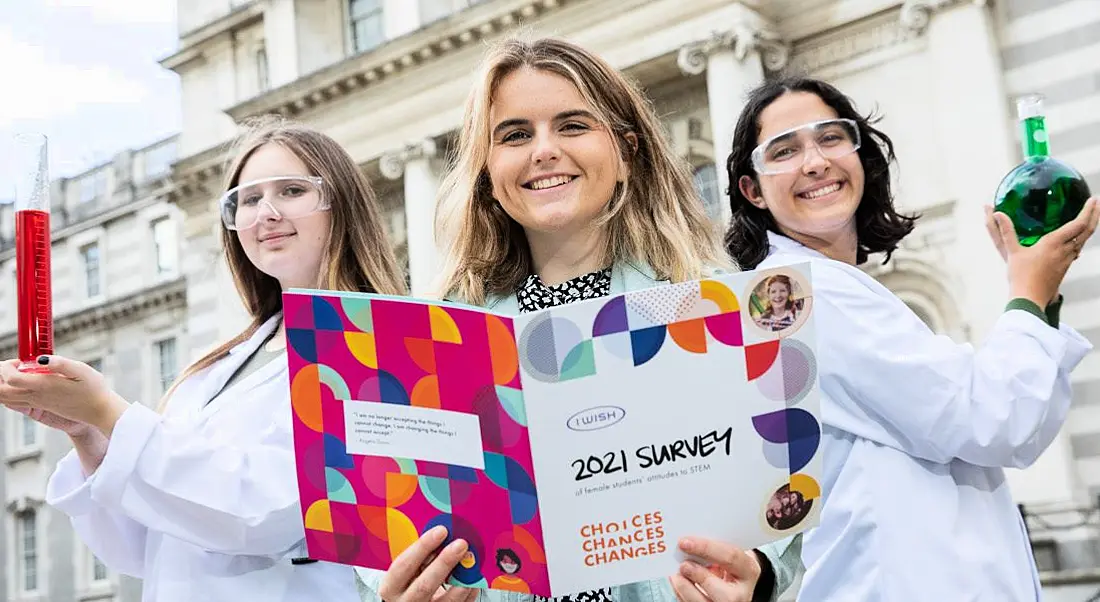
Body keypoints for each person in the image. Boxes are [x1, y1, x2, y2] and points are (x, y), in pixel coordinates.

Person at [354, 37, 801, 602]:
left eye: (572, 126)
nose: (544, 150)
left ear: (626, 150)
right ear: (488, 172)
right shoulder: (439, 339)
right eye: (515, 135)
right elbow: (389, 529)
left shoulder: (713, 305)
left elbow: (779, 505)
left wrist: (756, 579)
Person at [707, 75, 1099, 601]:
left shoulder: (829, 286)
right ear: (752, 190)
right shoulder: (800, 296)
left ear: (859, 153)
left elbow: (1007, 427)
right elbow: (989, 418)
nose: (815, 162)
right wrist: (1029, 290)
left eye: (830, 137)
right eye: (785, 150)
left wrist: (1040, 299)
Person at [0, 119, 407, 601]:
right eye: (249, 199)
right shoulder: (216, 369)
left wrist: (108, 411)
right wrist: (88, 434)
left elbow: (265, 511)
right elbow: (143, 545)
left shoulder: (381, 348)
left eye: (292, 190)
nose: (266, 213)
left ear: (342, 205)